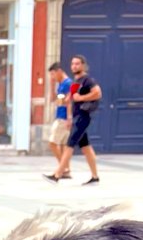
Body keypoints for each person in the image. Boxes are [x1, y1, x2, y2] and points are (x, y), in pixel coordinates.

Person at [44, 54, 102, 186]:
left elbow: (98, 92)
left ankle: (57, 175)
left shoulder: (87, 80)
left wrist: (80, 98)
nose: (74, 66)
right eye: (72, 64)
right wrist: (68, 100)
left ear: (83, 65)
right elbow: (70, 98)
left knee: (69, 145)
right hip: (76, 116)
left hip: (83, 117)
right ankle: (95, 177)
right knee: (86, 147)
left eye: (77, 64)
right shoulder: (76, 81)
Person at [46, 60, 72, 170]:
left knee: (52, 143)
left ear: (59, 71)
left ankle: (63, 168)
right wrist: (52, 86)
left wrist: (69, 118)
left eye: (53, 74)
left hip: (63, 118)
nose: (52, 77)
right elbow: (54, 99)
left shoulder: (68, 83)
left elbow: (68, 101)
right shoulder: (61, 84)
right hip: (61, 115)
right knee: (62, 145)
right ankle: (66, 169)